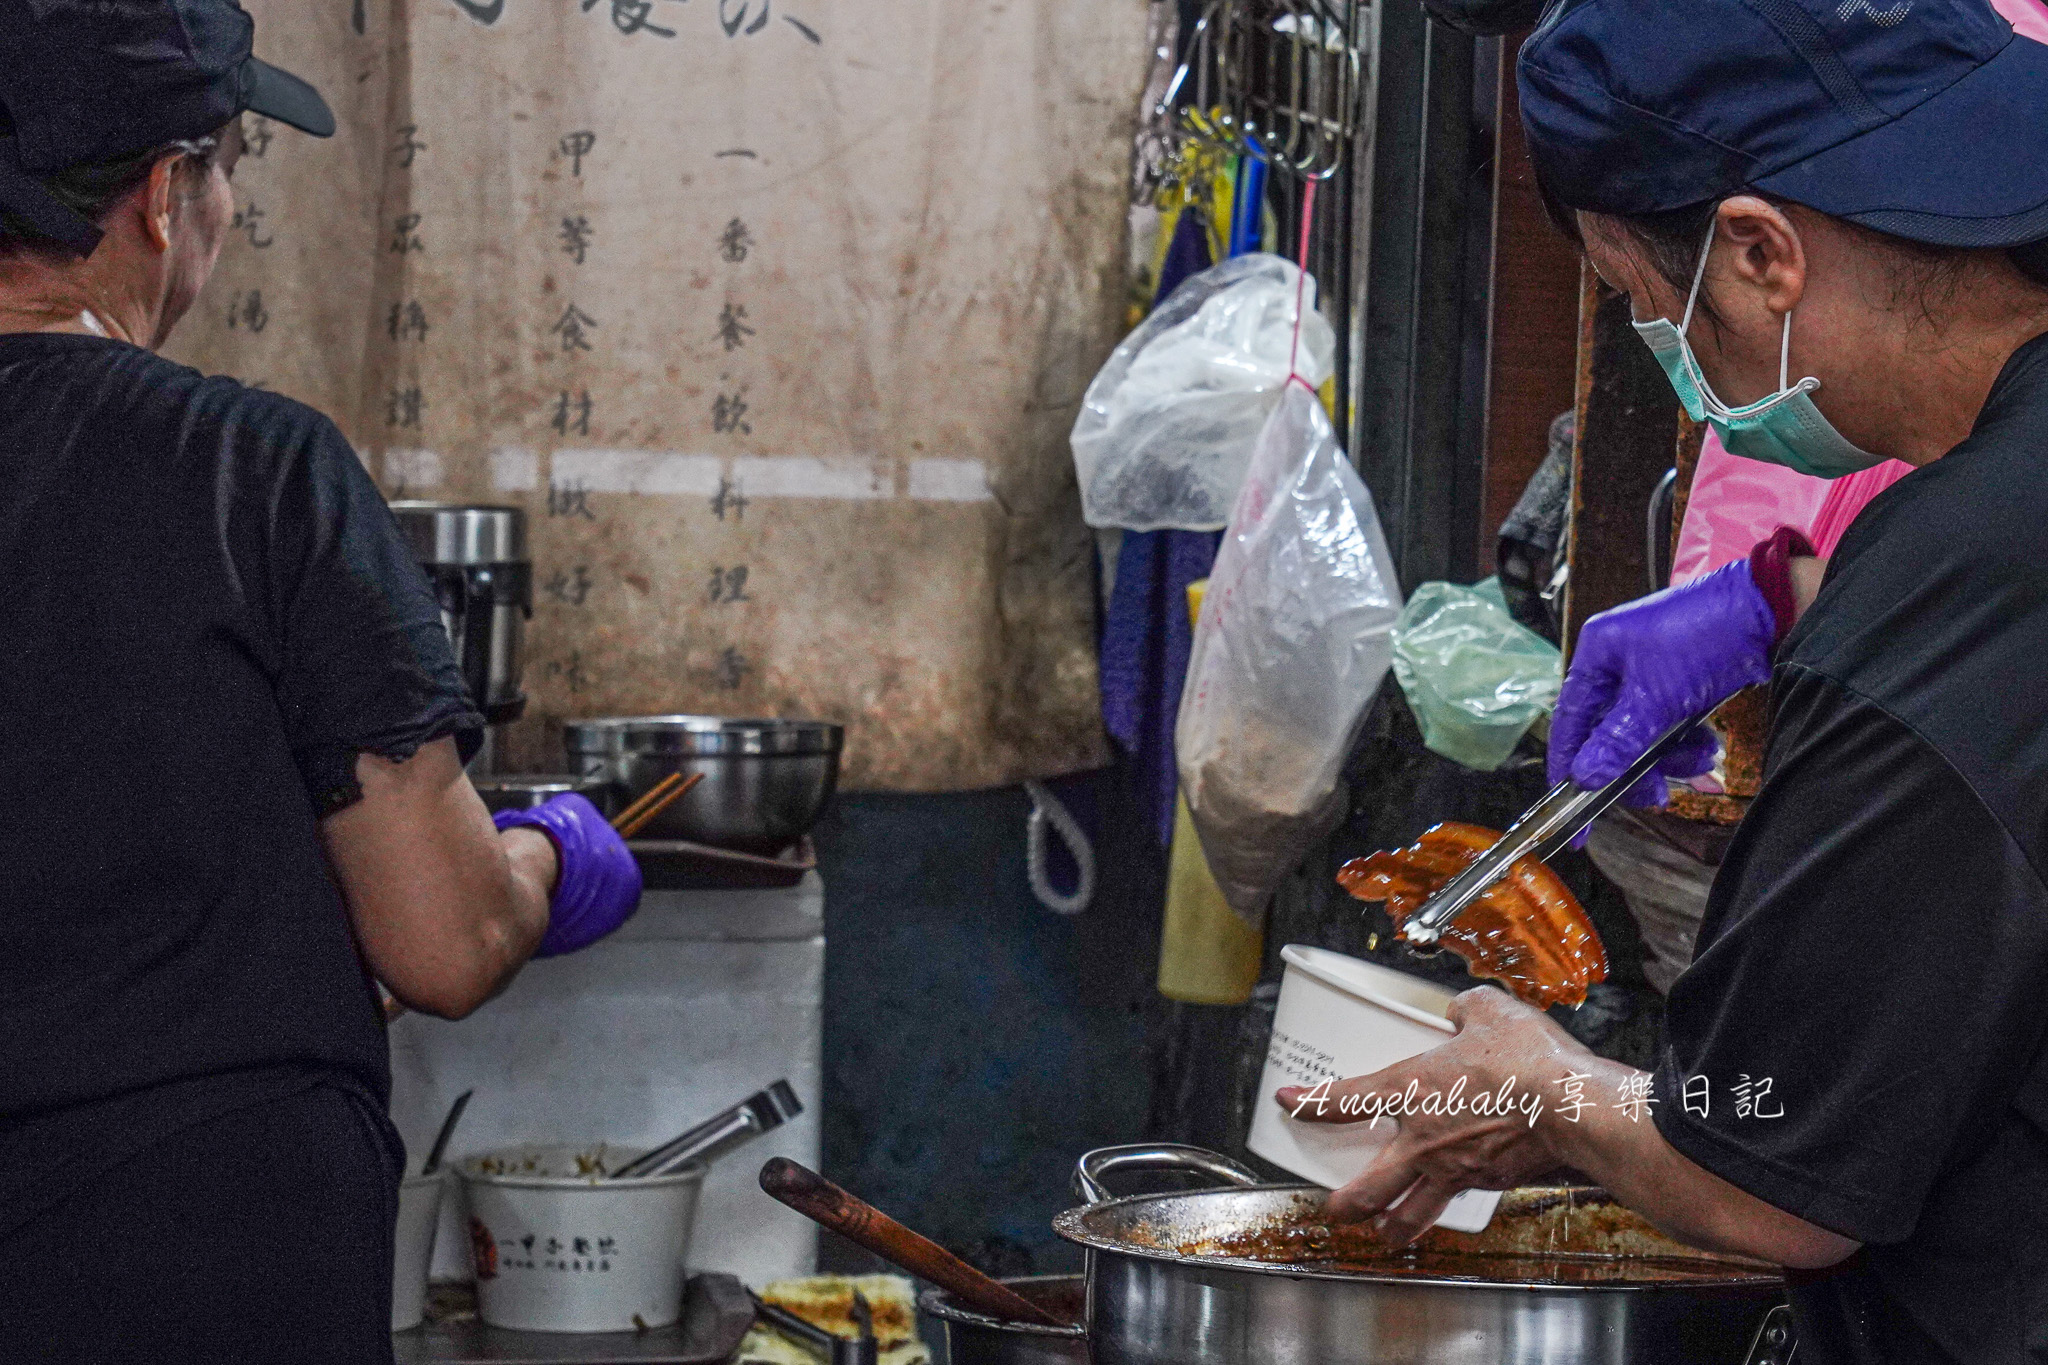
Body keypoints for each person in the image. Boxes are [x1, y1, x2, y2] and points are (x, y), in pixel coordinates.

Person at [1274, 1, 2048, 1360]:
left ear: (1761, 253)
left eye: (1651, 308)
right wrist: (1778, 600)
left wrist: (1549, 1086)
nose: (1685, 377)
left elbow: (1774, 1172)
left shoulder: (1952, 586)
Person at [0, 4, 641, 1359]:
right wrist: (541, 857)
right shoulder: (248, 472)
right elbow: (444, 946)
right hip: (201, 1259)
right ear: (166, 197)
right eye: (228, 166)